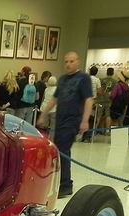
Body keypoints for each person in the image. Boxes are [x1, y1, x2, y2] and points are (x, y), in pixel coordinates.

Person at [37, 51, 93, 198]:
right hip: (60, 119)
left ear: (78, 62)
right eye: (66, 61)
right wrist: (43, 114)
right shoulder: (61, 79)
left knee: (63, 149)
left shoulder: (84, 78)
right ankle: (61, 181)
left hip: (73, 119)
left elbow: (88, 99)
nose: (68, 64)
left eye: (71, 61)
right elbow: (54, 99)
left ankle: (66, 184)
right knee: (57, 149)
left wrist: (85, 120)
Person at [81, 66, 102, 141]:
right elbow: (99, 92)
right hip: (92, 102)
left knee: (84, 118)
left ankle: (82, 136)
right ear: (96, 72)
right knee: (91, 119)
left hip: (84, 101)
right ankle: (88, 136)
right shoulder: (97, 80)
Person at [97, 67, 115, 132]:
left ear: (106, 72)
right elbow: (114, 92)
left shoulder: (102, 80)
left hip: (101, 99)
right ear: (113, 73)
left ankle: (95, 129)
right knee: (108, 115)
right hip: (109, 100)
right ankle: (107, 130)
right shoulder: (114, 81)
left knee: (98, 115)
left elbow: (99, 90)